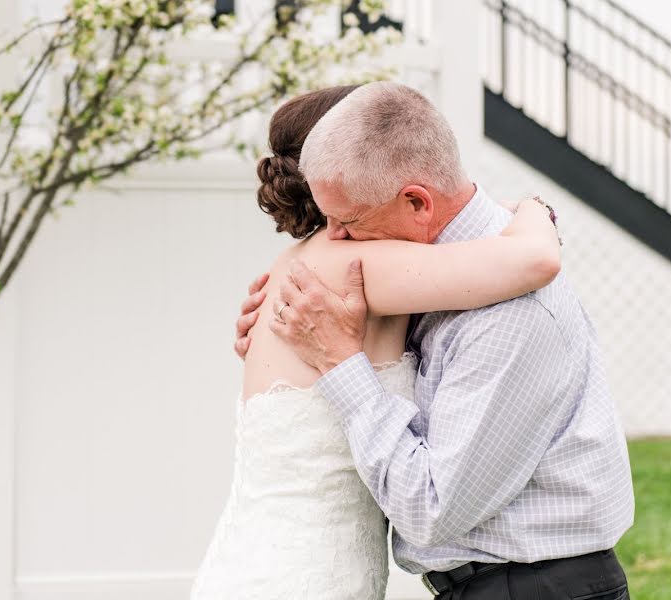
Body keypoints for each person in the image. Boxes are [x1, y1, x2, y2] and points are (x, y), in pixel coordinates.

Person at [236, 81, 635, 600]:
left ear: (416, 203)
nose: (333, 238)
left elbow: (431, 508)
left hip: (533, 585)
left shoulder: (508, 309)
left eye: (347, 220)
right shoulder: (423, 271)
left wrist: (338, 364)